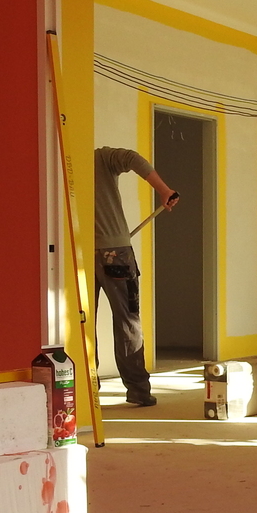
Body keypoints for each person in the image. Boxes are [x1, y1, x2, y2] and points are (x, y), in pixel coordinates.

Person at [93, 146, 179, 406]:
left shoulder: (61, 161)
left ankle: (87, 390)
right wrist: (164, 190)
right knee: (127, 320)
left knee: (81, 322)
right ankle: (138, 390)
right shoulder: (101, 157)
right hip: (115, 252)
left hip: (76, 252)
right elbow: (132, 158)